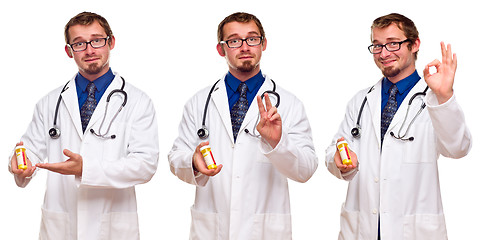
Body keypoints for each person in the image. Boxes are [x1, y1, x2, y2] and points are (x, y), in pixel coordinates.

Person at [8, 12, 159, 240]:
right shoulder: (49, 102)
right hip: (61, 225)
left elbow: (145, 165)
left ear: (111, 42)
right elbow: (29, 150)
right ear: (69, 51)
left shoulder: (138, 101)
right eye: (79, 43)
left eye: (97, 40)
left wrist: (85, 169)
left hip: (113, 227)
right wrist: (20, 165)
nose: (89, 50)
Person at [168, 12, 318, 239]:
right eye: (234, 40)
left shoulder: (289, 103)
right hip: (212, 229)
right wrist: (193, 163)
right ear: (221, 49)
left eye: (252, 38)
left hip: (265, 231)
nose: (245, 46)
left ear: (263, 44)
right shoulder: (200, 102)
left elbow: (306, 169)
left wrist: (278, 142)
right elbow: (175, 156)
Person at [325, 13, 472, 240]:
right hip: (362, 229)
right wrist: (340, 164)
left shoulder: (433, 100)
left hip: (414, 232)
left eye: (393, 44)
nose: (384, 53)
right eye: (377, 45)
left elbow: (458, 148)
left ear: (414, 44)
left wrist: (444, 97)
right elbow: (335, 150)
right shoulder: (361, 101)